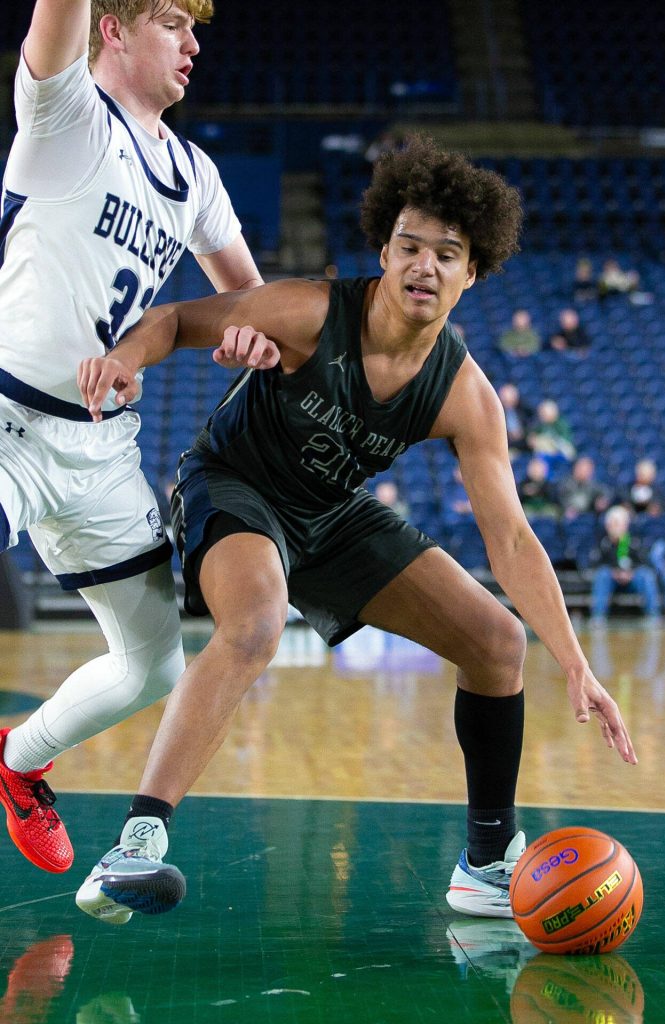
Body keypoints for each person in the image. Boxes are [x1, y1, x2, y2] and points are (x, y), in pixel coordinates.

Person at [75, 136, 636, 926]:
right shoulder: (308, 310)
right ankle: (135, 844)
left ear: (471, 273)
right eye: (409, 245)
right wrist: (128, 359)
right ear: (383, 250)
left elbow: (509, 538)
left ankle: (485, 862)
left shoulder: (464, 394)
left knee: (496, 641)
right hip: (234, 485)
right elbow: (171, 319)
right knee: (256, 623)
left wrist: (575, 663)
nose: (424, 265)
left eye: (447, 253)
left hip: (328, 512)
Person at [0, 0, 272, 876]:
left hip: (102, 448)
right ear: (111, 30)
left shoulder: (195, 173)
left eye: (196, 31)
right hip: (8, 417)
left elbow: (252, 303)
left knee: (154, 665)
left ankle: (19, 761)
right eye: (171, 24)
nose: (194, 46)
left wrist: (254, 334)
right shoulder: (66, 114)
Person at [589, 506, 661, 628]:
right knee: (602, 574)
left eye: (617, 523)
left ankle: (653, 616)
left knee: (646, 575)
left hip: (633, 579)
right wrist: (614, 572)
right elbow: (596, 564)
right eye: (611, 524)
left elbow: (644, 562)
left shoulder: (634, 542)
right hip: (612, 580)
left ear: (625, 525)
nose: (614, 527)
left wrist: (631, 572)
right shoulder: (604, 543)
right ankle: (598, 616)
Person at [497, 383, 531, 460]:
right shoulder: (497, 412)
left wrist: (522, 432)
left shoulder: (523, 409)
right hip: (507, 443)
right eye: (506, 398)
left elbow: (531, 422)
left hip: (523, 442)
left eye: (511, 397)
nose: (509, 400)